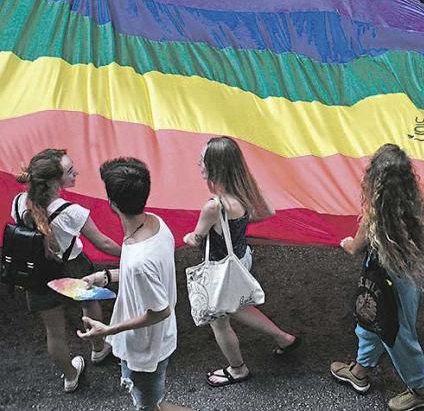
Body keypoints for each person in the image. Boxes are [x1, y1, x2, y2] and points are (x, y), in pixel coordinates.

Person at [181, 137, 300, 387]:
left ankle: (238, 369)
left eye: (203, 160)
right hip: (240, 260)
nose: (198, 164)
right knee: (238, 307)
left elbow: (196, 239)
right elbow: (267, 212)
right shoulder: (242, 195)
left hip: (220, 270)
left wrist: (187, 236)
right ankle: (284, 338)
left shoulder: (213, 207)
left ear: (214, 167)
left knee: (219, 322)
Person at [330, 144, 424, 411]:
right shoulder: (414, 207)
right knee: (370, 321)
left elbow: (354, 247)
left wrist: (345, 242)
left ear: (374, 180)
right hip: (404, 279)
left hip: (386, 282)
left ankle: (422, 390)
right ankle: (360, 372)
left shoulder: (374, 218)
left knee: (397, 335)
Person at [78, 158, 191, 411]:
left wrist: (108, 330)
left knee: (149, 407)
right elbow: (148, 274)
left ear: (112, 204)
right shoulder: (155, 223)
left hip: (145, 349)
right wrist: (106, 277)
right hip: (155, 341)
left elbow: (160, 310)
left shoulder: (139, 259)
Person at [10, 149, 121, 392]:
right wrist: (131, 254)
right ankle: (99, 348)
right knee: (90, 305)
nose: (76, 173)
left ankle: (70, 376)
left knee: (54, 332)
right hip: (74, 266)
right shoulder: (71, 211)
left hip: (38, 275)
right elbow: (102, 243)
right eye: (70, 171)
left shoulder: (19, 202)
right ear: (53, 181)